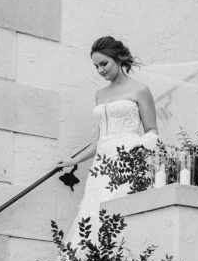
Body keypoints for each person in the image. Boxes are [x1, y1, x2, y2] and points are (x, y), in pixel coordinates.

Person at [56, 36, 160, 246]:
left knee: (121, 215)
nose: (100, 70)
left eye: (104, 64)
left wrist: (134, 151)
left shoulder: (140, 90)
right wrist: (72, 160)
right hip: (101, 167)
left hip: (127, 163)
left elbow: (152, 132)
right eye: (96, 66)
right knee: (94, 214)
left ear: (119, 58)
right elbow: (100, 140)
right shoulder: (100, 94)